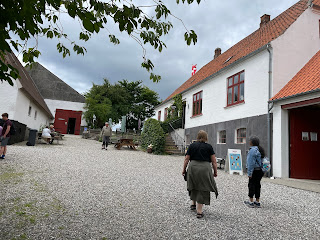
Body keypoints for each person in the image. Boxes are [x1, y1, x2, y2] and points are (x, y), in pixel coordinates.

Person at [182, 130, 218, 219]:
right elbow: (214, 161)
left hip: (193, 167)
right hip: (205, 168)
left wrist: (184, 169)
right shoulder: (209, 147)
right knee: (203, 187)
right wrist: (215, 171)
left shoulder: (192, 145)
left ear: (197, 137)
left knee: (193, 184)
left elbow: (186, 159)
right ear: (206, 137)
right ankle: (199, 211)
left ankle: (193, 204)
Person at [244, 136, 265, 208]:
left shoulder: (252, 150)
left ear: (252, 142)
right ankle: (257, 201)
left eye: (250, 141)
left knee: (251, 185)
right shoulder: (260, 149)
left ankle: (251, 201)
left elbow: (251, 163)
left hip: (254, 171)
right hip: (260, 171)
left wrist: (249, 173)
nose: (249, 142)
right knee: (257, 185)